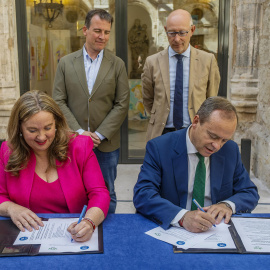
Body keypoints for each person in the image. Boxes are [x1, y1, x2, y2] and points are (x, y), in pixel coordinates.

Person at [133, 97, 259, 233]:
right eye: (212, 136)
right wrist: (182, 217)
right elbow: (143, 194)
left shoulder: (230, 150)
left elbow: (249, 192)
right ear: (196, 121)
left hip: (215, 231)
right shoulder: (160, 147)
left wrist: (226, 205)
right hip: (173, 230)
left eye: (224, 140)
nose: (217, 146)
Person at [0, 91, 110, 242]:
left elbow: (99, 193)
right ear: (19, 128)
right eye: (32, 130)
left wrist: (89, 222)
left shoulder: (79, 147)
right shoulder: (8, 151)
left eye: (47, 128)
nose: (41, 137)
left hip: (72, 235)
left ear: (56, 124)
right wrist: (12, 209)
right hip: (29, 237)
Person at [53, 9, 130, 213]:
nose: (102, 36)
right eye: (97, 31)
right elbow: (58, 100)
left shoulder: (117, 65)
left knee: (107, 191)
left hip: (105, 145)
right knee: (74, 191)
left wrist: (99, 135)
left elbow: (122, 103)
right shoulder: (66, 63)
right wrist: (79, 132)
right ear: (85, 30)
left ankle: (109, 235)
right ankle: (79, 230)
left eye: (106, 32)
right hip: (72, 141)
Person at [142, 9, 220, 141]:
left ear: (192, 30)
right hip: (162, 133)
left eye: (182, 33)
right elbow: (148, 99)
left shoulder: (208, 60)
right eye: (172, 33)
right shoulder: (152, 62)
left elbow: (211, 99)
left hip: (195, 132)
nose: (177, 39)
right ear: (166, 30)